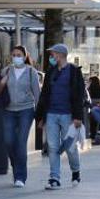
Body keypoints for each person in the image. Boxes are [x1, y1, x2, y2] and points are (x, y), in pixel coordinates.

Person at [36, 44, 85, 190]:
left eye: (53, 54)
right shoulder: (51, 72)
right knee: (52, 147)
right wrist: (40, 117)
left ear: (61, 55)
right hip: (51, 114)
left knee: (70, 147)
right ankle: (54, 178)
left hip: (68, 115)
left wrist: (78, 116)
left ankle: (75, 171)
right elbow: (44, 95)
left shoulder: (74, 72)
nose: (51, 57)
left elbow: (79, 95)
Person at [0, 46, 41, 188]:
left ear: (25, 56)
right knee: (8, 141)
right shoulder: (6, 70)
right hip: (8, 110)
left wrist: (40, 115)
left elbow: (37, 93)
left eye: (19, 55)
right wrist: (2, 84)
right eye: (14, 55)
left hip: (26, 110)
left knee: (21, 143)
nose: (16, 57)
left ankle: (20, 176)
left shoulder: (31, 72)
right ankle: (16, 165)